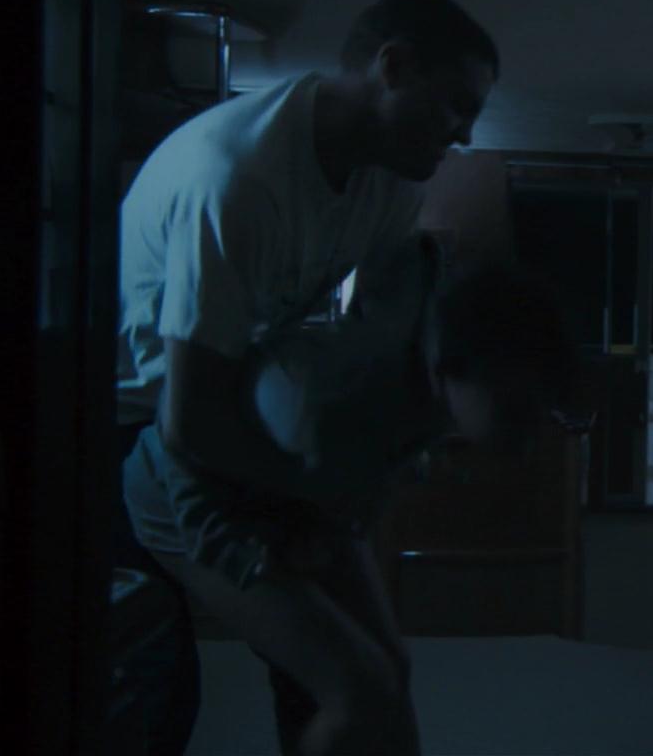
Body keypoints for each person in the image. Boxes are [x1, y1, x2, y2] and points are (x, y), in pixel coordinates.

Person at [111, 0, 499, 755]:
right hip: (141, 425)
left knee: (378, 669)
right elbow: (189, 421)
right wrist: (315, 490)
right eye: (457, 104)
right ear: (393, 67)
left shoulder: (392, 182)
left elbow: (378, 346)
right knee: (156, 688)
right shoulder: (238, 178)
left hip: (236, 410)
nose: (464, 134)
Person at [124, 246, 577, 755]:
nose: (528, 436)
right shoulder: (320, 401)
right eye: (516, 410)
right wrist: (253, 554)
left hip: (295, 496)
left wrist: (323, 530)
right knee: (359, 690)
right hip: (180, 495)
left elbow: (349, 487)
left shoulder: (429, 381)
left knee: (389, 668)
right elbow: (191, 455)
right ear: (451, 369)